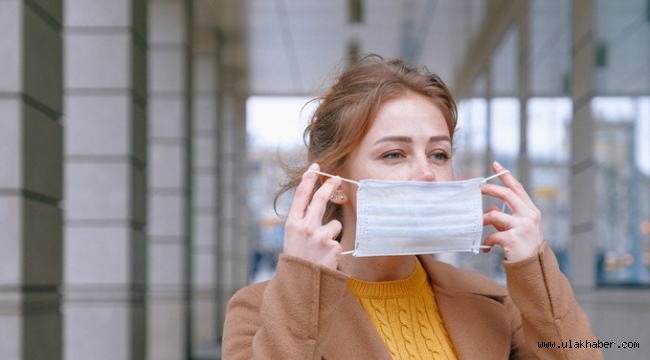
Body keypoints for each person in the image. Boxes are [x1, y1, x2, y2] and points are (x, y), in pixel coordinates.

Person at [222, 55, 602, 359]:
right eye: (394, 153)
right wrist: (304, 282)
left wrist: (535, 269)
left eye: (439, 154)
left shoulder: (493, 302)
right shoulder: (257, 311)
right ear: (334, 184)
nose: (426, 173)